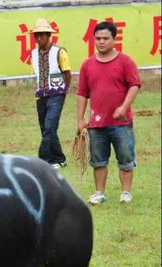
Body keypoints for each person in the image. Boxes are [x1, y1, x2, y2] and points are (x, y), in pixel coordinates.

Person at [77, 21, 141, 205]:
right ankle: (99, 193)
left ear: (114, 39)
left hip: (122, 123)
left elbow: (134, 85)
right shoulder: (87, 65)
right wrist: (80, 119)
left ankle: (126, 193)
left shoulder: (125, 61)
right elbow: (82, 93)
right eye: (98, 38)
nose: (101, 42)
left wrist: (123, 107)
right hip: (96, 123)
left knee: (126, 159)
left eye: (105, 38)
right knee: (98, 160)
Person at [30, 18, 72, 169]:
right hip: (40, 95)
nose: (39, 38)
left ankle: (43, 161)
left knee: (49, 127)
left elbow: (67, 74)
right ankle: (59, 159)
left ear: (49, 35)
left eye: (42, 35)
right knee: (46, 128)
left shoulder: (60, 52)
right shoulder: (33, 54)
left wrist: (63, 91)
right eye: (37, 35)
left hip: (57, 94)